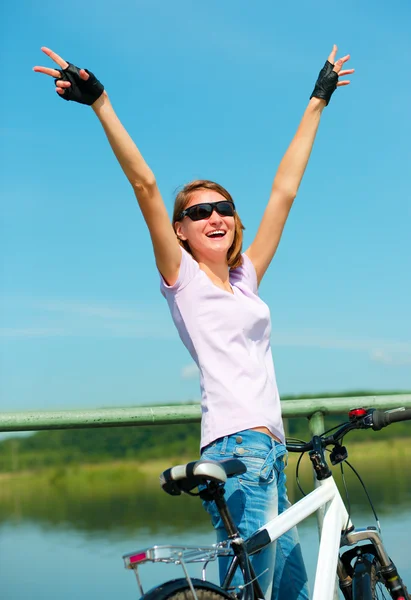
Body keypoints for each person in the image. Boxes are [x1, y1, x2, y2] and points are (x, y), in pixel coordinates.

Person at [34, 45, 353, 599]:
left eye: (224, 208)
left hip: (273, 451)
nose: (215, 216)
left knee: (297, 593)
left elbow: (285, 191)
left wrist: (318, 97)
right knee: (253, 590)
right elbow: (146, 186)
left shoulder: (245, 279)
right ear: (180, 229)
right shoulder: (180, 277)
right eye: (199, 211)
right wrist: (100, 102)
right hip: (237, 450)